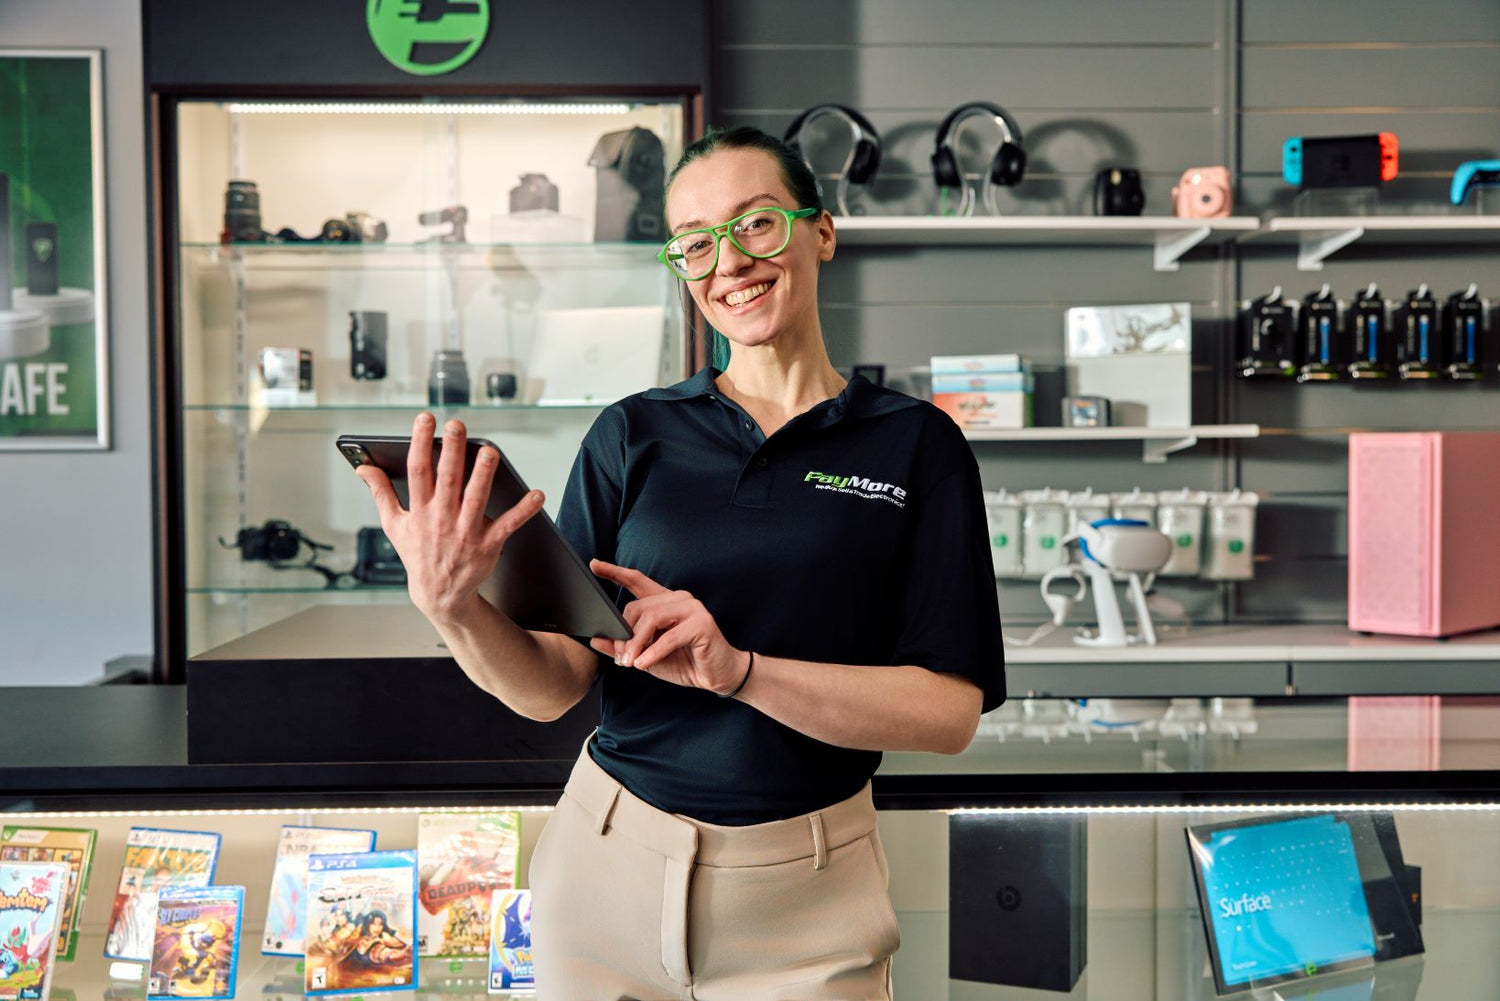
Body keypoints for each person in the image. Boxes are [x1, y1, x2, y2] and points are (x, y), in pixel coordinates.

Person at [356, 125, 1005, 1000]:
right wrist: (454, 607)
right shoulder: (633, 434)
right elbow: (554, 685)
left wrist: (738, 671)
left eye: (756, 225)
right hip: (607, 867)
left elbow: (948, 712)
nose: (728, 262)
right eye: (696, 244)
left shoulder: (916, 444)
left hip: (810, 895)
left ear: (820, 232)